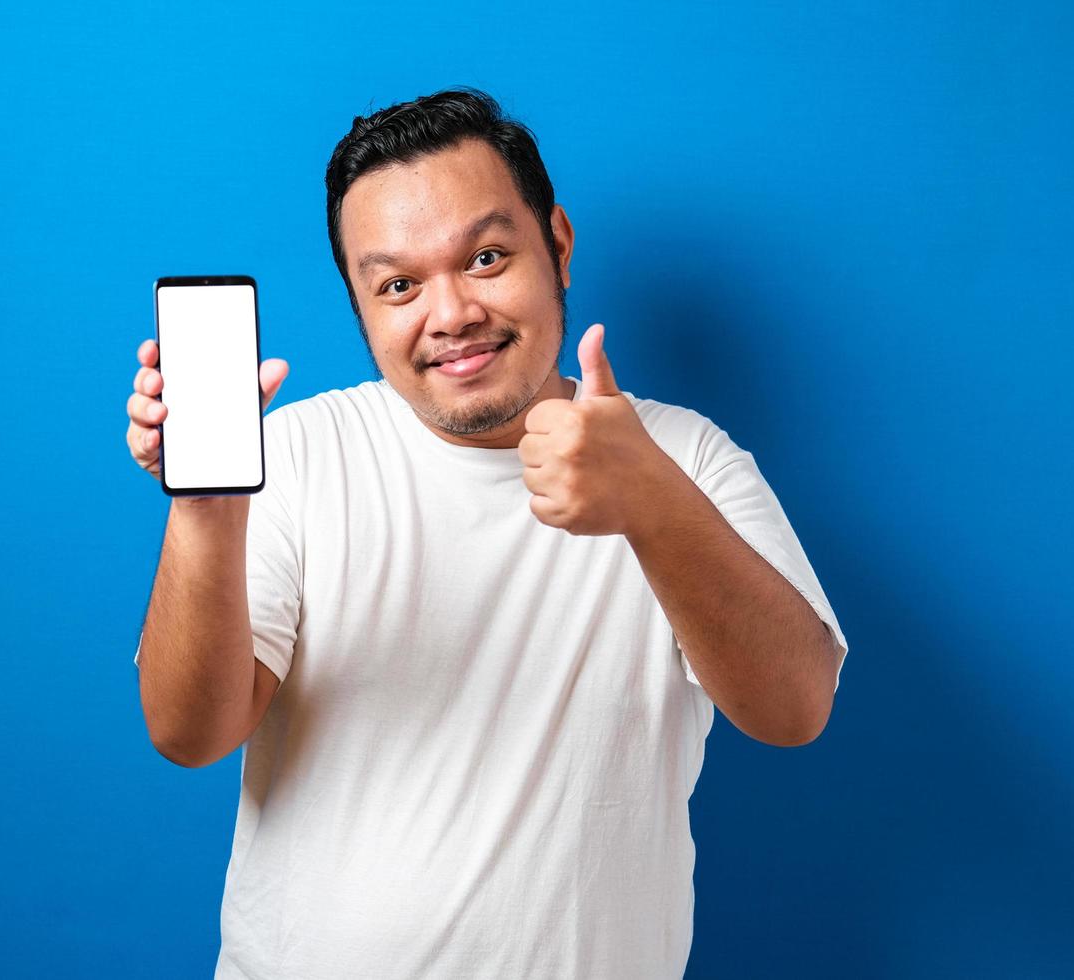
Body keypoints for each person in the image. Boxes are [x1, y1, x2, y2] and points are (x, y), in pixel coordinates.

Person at [125, 88, 849, 980]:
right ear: (361, 306)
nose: (452, 312)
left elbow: (794, 710)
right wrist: (204, 510)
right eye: (398, 285)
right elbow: (189, 732)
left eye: (487, 256)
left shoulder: (685, 458)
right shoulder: (296, 454)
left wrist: (651, 504)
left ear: (559, 245)